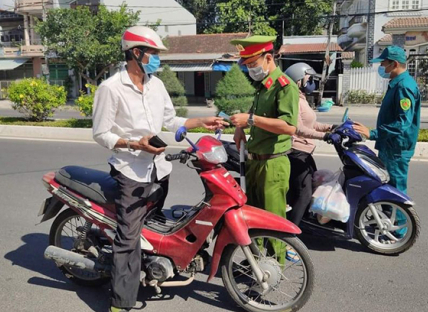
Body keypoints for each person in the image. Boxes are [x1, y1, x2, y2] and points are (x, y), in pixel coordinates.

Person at [92, 26, 226, 312]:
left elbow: (170, 120)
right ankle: (120, 302)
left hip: (159, 170)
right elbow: (101, 134)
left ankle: (149, 270)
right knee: (128, 238)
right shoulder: (111, 88)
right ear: (136, 53)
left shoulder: (156, 85)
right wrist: (133, 144)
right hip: (131, 172)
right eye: (153, 53)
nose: (157, 59)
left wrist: (202, 122)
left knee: (150, 227)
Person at [229, 35, 299, 262]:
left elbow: (288, 127)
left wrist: (249, 120)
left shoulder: (285, 87)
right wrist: (240, 128)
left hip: (273, 163)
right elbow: (254, 118)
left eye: (252, 64)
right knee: (253, 218)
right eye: (247, 66)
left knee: (272, 222)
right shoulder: (262, 88)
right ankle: (257, 265)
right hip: (255, 162)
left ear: (268, 58)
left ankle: (276, 271)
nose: (250, 69)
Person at [353, 46, 421, 240]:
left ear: (395, 64)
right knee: (385, 187)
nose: (381, 66)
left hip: (396, 148)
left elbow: (402, 123)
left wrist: (372, 133)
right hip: (390, 146)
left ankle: (397, 232)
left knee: (395, 190)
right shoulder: (397, 83)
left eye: (384, 63)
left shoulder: (404, 86)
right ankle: (385, 223)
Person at [283, 62, 337, 226]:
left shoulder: (301, 99)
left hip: (304, 151)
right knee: (303, 193)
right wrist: (325, 136)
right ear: (299, 80)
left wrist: (332, 127)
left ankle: (304, 222)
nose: (312, 82)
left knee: (308, 187)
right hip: (295, 151)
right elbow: (298, 129)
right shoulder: (293, 100)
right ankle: (291, 233)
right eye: (310, 78)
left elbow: (310, 124)